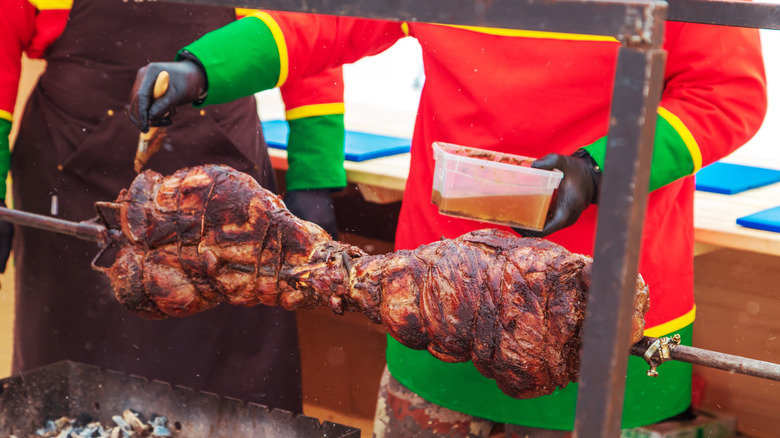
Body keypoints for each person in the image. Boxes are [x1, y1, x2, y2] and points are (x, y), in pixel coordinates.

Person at [126, 12, 767, 437]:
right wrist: (207, 67)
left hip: (611, 310)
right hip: (436, 299)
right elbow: (326, 20)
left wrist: (599, 169)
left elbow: (727, 92)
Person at [0, 1, 348, 413]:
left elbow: (308, 32)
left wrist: (315, 174)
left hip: (222, 185)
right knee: (69, 393)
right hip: (72, 169)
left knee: (232, 396)